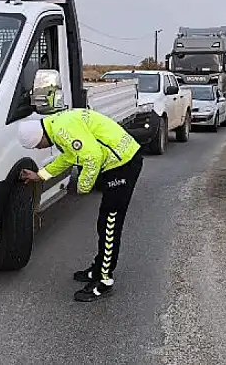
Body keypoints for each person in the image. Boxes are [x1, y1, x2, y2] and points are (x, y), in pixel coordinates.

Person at [17, 108, 143, 302]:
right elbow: (69, 156)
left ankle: (104, 280)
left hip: (123, 164)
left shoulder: (62, 130)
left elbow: (92, 157)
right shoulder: (56, 125)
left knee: (109, 223)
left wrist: (83, 187)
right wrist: (40, 175)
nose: (40, 148)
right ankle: (99, 267)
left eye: (37, 145)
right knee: (105, 222)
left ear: (40, 137)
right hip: (120, 160)